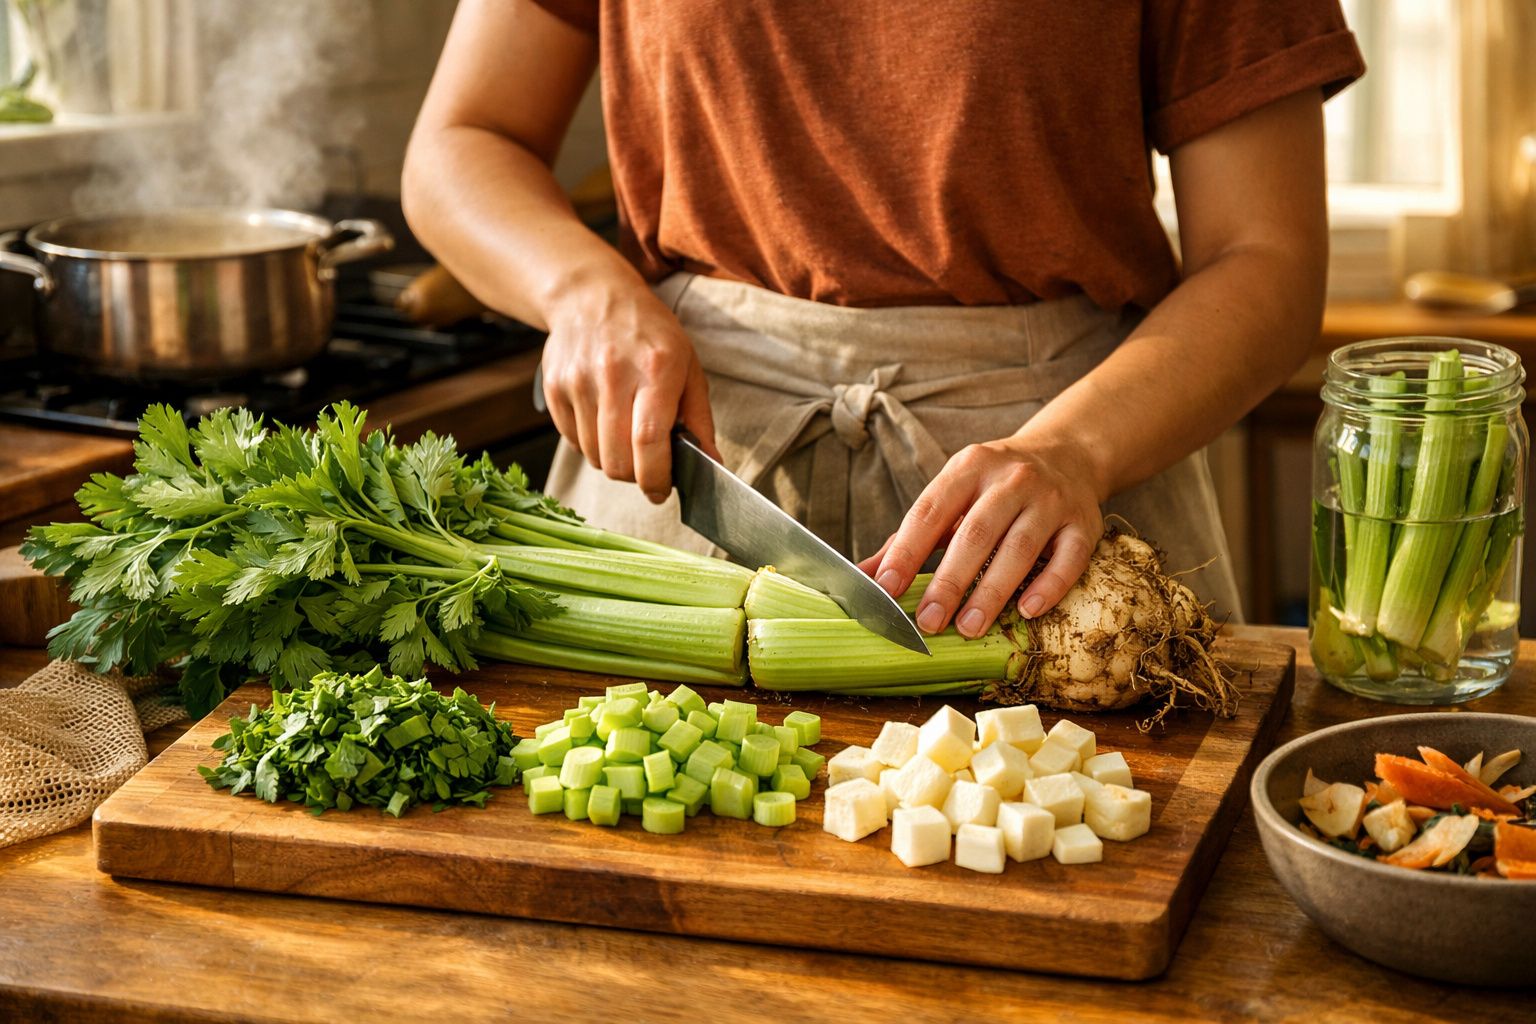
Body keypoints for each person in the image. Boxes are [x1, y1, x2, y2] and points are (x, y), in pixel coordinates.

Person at [402, 1, 1364, 637]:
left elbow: (1265, 260)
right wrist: (584, 291)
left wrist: (1073, 451)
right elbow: (462, 140)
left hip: (1063, 499)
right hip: (691, 476)